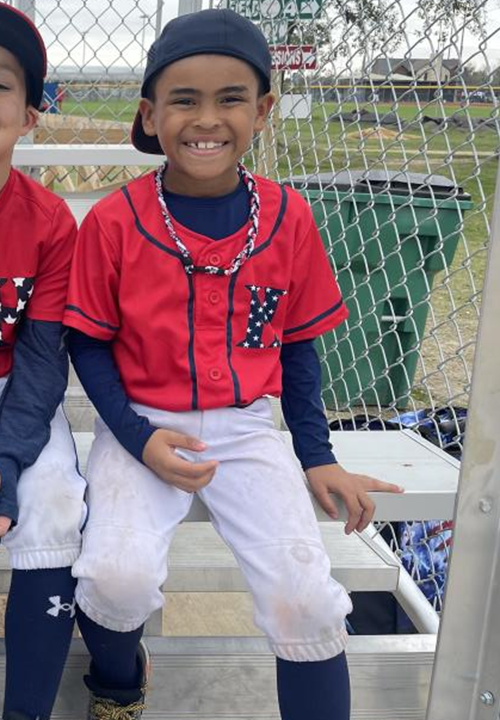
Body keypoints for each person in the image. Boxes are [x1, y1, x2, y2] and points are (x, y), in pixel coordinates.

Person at [64, 9, 403, 719]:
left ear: (264, 110)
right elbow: (89, 344)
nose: (206, 118)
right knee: (117, 578)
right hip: (141, 422)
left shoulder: (288, 215)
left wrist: (317, 455)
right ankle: (120, 680)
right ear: (150, 115)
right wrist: (136, 437)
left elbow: (299, 345)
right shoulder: (116, 220)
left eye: (231, 98)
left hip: (247, 427)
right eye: (184, 99)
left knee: (305, 598)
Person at [0, 5, 87, 719]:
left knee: (54, 504)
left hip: (16, 391)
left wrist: (3, 469)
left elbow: (38, 360)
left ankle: (25, 709)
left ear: (29, 115)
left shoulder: (52, 222)